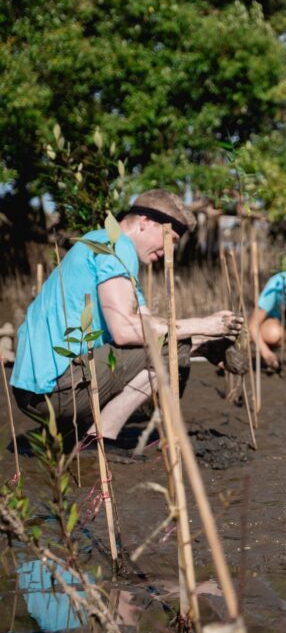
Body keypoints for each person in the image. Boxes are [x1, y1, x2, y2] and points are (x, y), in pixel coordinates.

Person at [10, 189, 246, 447]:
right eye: (171, 239)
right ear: (145, 222)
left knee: (173, 341)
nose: (170, 251)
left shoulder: (102, 243)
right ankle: (99, 440)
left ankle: (77, 432)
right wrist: (205, 325)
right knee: (172, 346)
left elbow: (147, 324)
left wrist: (204, 338)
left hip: (33, 391)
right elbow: (124, 331)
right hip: (53, 391)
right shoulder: (117, 246)